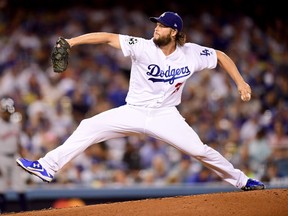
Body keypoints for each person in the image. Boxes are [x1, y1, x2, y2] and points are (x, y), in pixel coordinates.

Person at [16, 11, 265, 191]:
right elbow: (107, 37)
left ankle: (243, 181)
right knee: (88, 126)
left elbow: (221, 56)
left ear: (174, 31)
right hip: (133, 111)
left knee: (200, 151)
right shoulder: (142, 47)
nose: (156, 28)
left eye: (162, 26)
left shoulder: (191, 53)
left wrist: (240, 82)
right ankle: (47, 167)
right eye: (156, 25)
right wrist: (71, 42)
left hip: (166, 115)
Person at [0, 98, 27, 212]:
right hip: (1, 157)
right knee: (1, 187)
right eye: (5, 111)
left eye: (9, 111)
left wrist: (23, 159)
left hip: (14, 157)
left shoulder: (15, 125)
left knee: (20, 186)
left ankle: (26, 213)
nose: (7, 113)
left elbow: (18, 142)